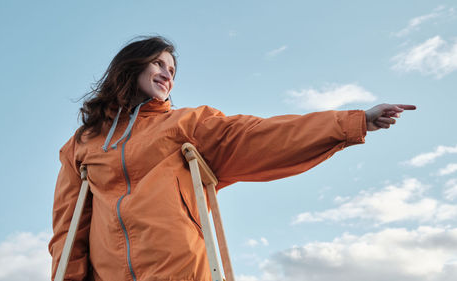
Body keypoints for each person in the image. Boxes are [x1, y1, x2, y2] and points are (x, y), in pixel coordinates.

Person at [49, 36, 416, 281]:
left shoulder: (187, 123)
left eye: (172, 71)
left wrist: (353, 121)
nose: (167, 75)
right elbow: (68, 232)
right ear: (131, 66)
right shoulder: (83, 144)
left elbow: (260, 136)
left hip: (181, 270)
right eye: (158, 64)